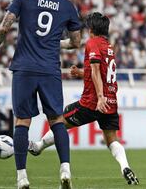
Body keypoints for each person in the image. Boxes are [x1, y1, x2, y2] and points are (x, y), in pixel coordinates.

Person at [0, 0, 82, 188]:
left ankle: (22, 177)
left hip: (24, 68)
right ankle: (65, 170)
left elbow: (3, 28)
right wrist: (53, 42)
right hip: (50, 70)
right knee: (57, 120)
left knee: (22, 121)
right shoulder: (67, 5)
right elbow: (76, 42)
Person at [28, 12, 139, 185]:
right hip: (111, 102)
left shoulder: (92, 43)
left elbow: (96, 71)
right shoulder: (108, 47)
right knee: (112, 139)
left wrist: (100, 97)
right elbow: (100, 71)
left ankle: (38, 147)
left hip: (93, 101)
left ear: (91, 29)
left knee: (58, 120)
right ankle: (125, 167)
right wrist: (81, 72)